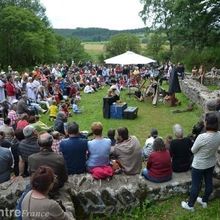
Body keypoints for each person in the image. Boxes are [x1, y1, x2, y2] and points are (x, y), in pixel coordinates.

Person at [181, 113, 220, 211]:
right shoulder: (219, 134)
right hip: (210, 162)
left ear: (207, 123)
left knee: (195, 185)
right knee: (208, 182)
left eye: (205, 121)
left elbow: (193, 150)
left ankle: (190, 205)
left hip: (199, 164)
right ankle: (204, 200)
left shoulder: (202, 137)